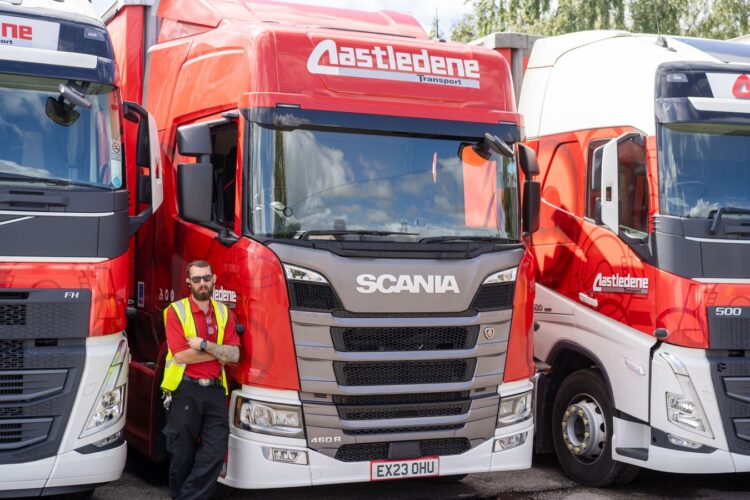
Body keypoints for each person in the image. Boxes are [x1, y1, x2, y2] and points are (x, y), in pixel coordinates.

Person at [161, 260, 241, 500]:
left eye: (206, 278)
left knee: (215, 453)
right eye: (196, 279)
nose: (202, 283)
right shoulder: (175, 311)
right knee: (182, 455)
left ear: (214, 279)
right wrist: (219, 352)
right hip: (186, 389)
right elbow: (181, 355)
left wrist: (205, 345)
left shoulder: (224, 313)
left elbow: (235, 355)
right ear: (189, 282)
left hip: (215, 390)